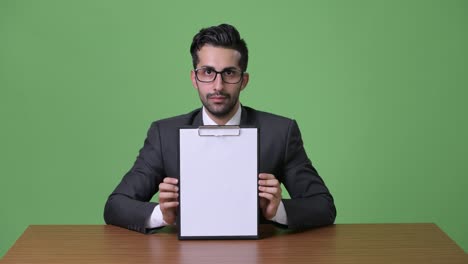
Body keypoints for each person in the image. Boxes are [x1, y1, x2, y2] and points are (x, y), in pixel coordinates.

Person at [104, 24, 336, 234]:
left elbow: (323, 205)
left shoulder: (280, 132)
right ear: (194, 79)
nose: (218, 85)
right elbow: (116, 205)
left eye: (229, 73)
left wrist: (277, 211)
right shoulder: (164, 134)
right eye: (207, 72)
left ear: (243, 80)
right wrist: (162, 215)